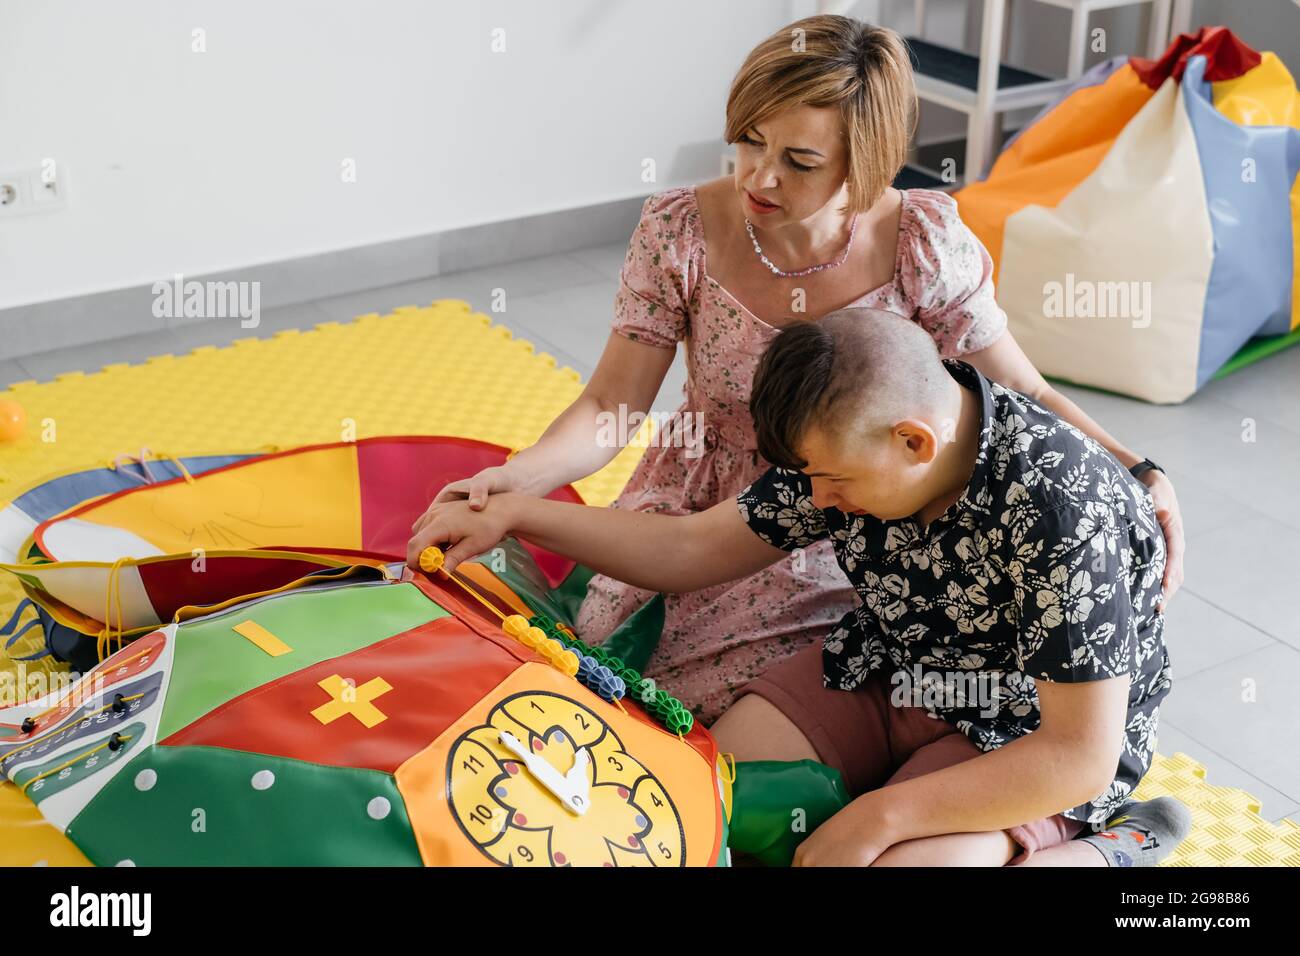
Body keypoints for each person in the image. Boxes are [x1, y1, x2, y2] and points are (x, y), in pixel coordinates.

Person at [414, 14, 1186, 725]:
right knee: (606, 668)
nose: (759, 178)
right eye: (748, 141)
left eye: (799, 161)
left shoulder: (920, 242)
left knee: (738, 707)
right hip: (705, 501)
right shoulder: (681, 227)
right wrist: (521, 479)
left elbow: (1021, 388)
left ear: (868, 160)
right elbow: (612, 404)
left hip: (848, 511)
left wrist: (1137, 469)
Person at [407, 309, 1189, 867]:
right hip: (886, 668)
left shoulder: (1060, 506)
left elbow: (1079, 753)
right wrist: (517, 515)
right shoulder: (854, 441)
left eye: (831, 480)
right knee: (683, 793)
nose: (814, 499)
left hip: (1025, 730)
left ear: (915, 443)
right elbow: (690, 547)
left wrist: (876, 819)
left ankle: (1112, 850)